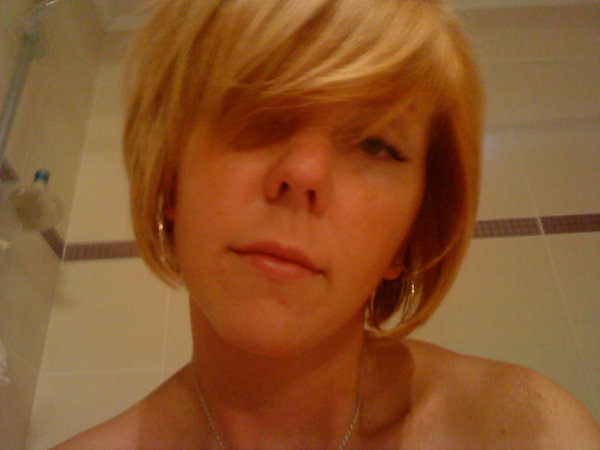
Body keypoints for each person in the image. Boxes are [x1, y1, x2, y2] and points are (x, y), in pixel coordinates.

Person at [55, 0, 599, 447]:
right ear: (171, 177)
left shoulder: (528, 430)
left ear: (408, 237)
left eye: (376, 144)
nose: (303, 172)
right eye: (257, 110)